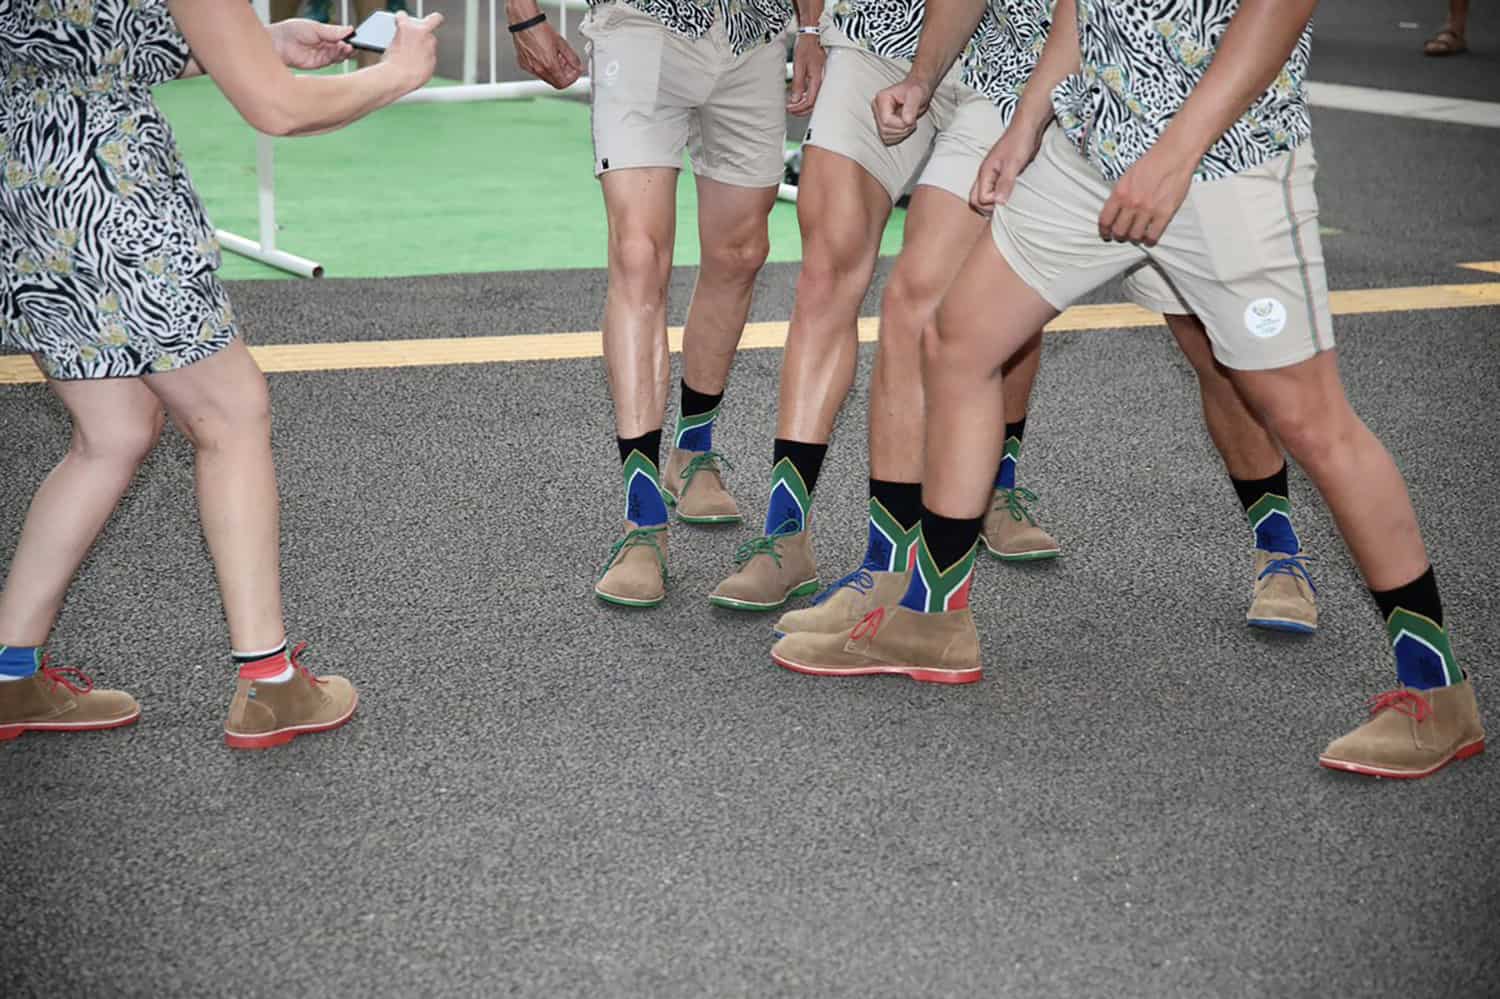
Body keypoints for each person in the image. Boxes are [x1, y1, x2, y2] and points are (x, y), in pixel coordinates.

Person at [771, 0, 1485, 779]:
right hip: (1091, 149)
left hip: (1223, 167)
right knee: (957, 340)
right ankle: (932, 620)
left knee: (1311, 418)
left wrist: (1174, 155)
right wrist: (1026, 125)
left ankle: (1437, 690)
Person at [715, 0, 1318, 640]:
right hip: (1005, 80)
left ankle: (1279, 547)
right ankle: (887, 572)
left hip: (1148, 114)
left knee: (1220, 355)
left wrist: (1169, 144)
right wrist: (917, 73)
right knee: (919, 301)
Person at [0, 2, 442, 747]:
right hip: (113, 199)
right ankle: (271, 682)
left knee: (112, 433)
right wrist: (397, 73)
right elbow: (278, 108)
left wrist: (250, 43)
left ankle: (10, 673)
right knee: (230, 415)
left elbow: (81, 40)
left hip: (26, 189)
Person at [508, 0, 826, 608]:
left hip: (752, 32)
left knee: (740, 252)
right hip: (640, 23)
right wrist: (524, 17)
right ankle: (643, 521)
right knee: (638, 256)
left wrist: (810, 28)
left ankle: (693, 450)